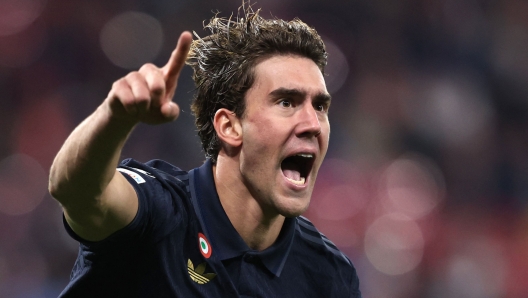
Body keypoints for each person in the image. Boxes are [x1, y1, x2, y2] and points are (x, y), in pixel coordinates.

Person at [49, 4, 361, 297]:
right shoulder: (159, 213)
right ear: (229, 126)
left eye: (320, 106)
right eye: (286, 102)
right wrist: (114, 117)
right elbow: (76, 191)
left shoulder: (328, 275)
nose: (313, 124)